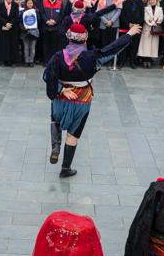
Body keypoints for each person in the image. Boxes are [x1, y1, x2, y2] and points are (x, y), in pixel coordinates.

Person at [42, 21, 140, 178]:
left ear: (68, 38)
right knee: (73, 134)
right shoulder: (92, 57)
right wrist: (129, 34)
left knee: (55, 119)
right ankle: (65, 168)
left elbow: (47, 77)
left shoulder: (57, 57)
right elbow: (112, 49)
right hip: (82, 100)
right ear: (85, 39)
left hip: (62, 98)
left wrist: (60, 90)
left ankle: (55, 146)